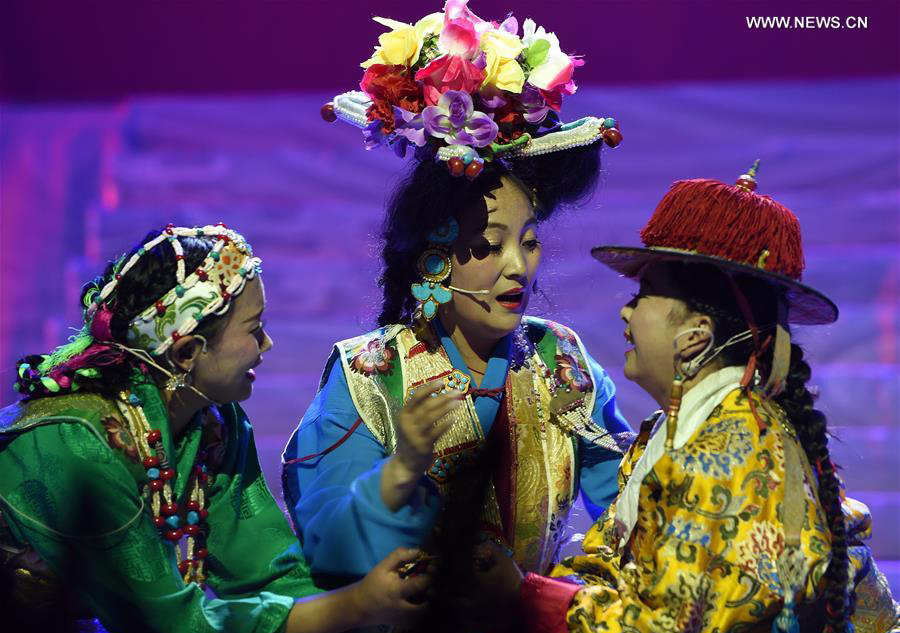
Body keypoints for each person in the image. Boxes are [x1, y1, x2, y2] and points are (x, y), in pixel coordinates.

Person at [281, 0, 633, 606]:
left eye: (528, 243)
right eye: (487, 246)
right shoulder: (371, 374)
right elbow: (326, 546)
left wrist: (554, 595)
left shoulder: (562, 359)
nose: (517, 267)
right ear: (433, 260)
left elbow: (629, 506)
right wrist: (402, 467)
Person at [484, 165, 899, 632]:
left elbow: (676, 625)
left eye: (644, 295)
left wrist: (528, 596)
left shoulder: (733, 449)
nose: (626, 311)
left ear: (695, 336)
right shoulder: (679, 430)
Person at [0, 224, 429, 633]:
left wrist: (368, 613)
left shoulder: (215, 424)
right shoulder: (80, 446)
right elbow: (166, 624)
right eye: (254, 329)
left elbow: (266, 571)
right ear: (188, 352)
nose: (267, 345)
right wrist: (354, 605)